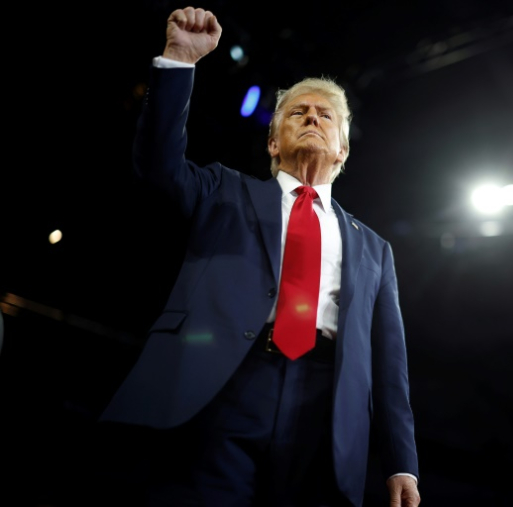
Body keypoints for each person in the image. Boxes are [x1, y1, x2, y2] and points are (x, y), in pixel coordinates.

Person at [93, 6, 420, 507]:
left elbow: (390, 364)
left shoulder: (375, 248)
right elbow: (158, 167)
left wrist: (402, 462)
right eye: (297, 112)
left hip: (327, 408)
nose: (311, 116)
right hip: (224, 385)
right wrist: (180, 59)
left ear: (343, 151)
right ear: (272, 141)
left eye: (324, 115)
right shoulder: (224, 190)